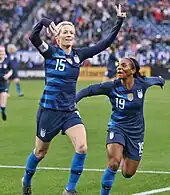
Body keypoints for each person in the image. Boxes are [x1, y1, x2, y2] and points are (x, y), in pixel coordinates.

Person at [22, 4, 126, 195]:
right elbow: (33, 37)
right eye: (65, 31)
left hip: (69, 111)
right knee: (40, 152)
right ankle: (26, 180)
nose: (69, 34)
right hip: (49, 110)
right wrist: (45, 22)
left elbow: (105, 43)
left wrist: (119, 21)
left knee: (82, 147)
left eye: (72, 31)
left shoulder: (79, 55)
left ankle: (69, 190)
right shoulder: (50, 52)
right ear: (57, 36)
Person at [76, 57, 165, 195]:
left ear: (133, 70)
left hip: (136, 133)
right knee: (113, 162)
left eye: (124, 65)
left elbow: (157, 79)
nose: (119, 68)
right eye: (118, 66)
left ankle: (124, 151)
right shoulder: (112, 86)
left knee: (128, 173)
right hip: (117, 127)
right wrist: (73, 101)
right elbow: (89, 90)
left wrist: (161, 81)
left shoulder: (142, 84)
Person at [0, 46, 13, 121]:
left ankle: (3, 111)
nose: (1, 53)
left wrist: (8, 75)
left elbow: (11, 70)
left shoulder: (7, 60)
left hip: (3, 82)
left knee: (3, 98)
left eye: (2, 51)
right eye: (0, 51)